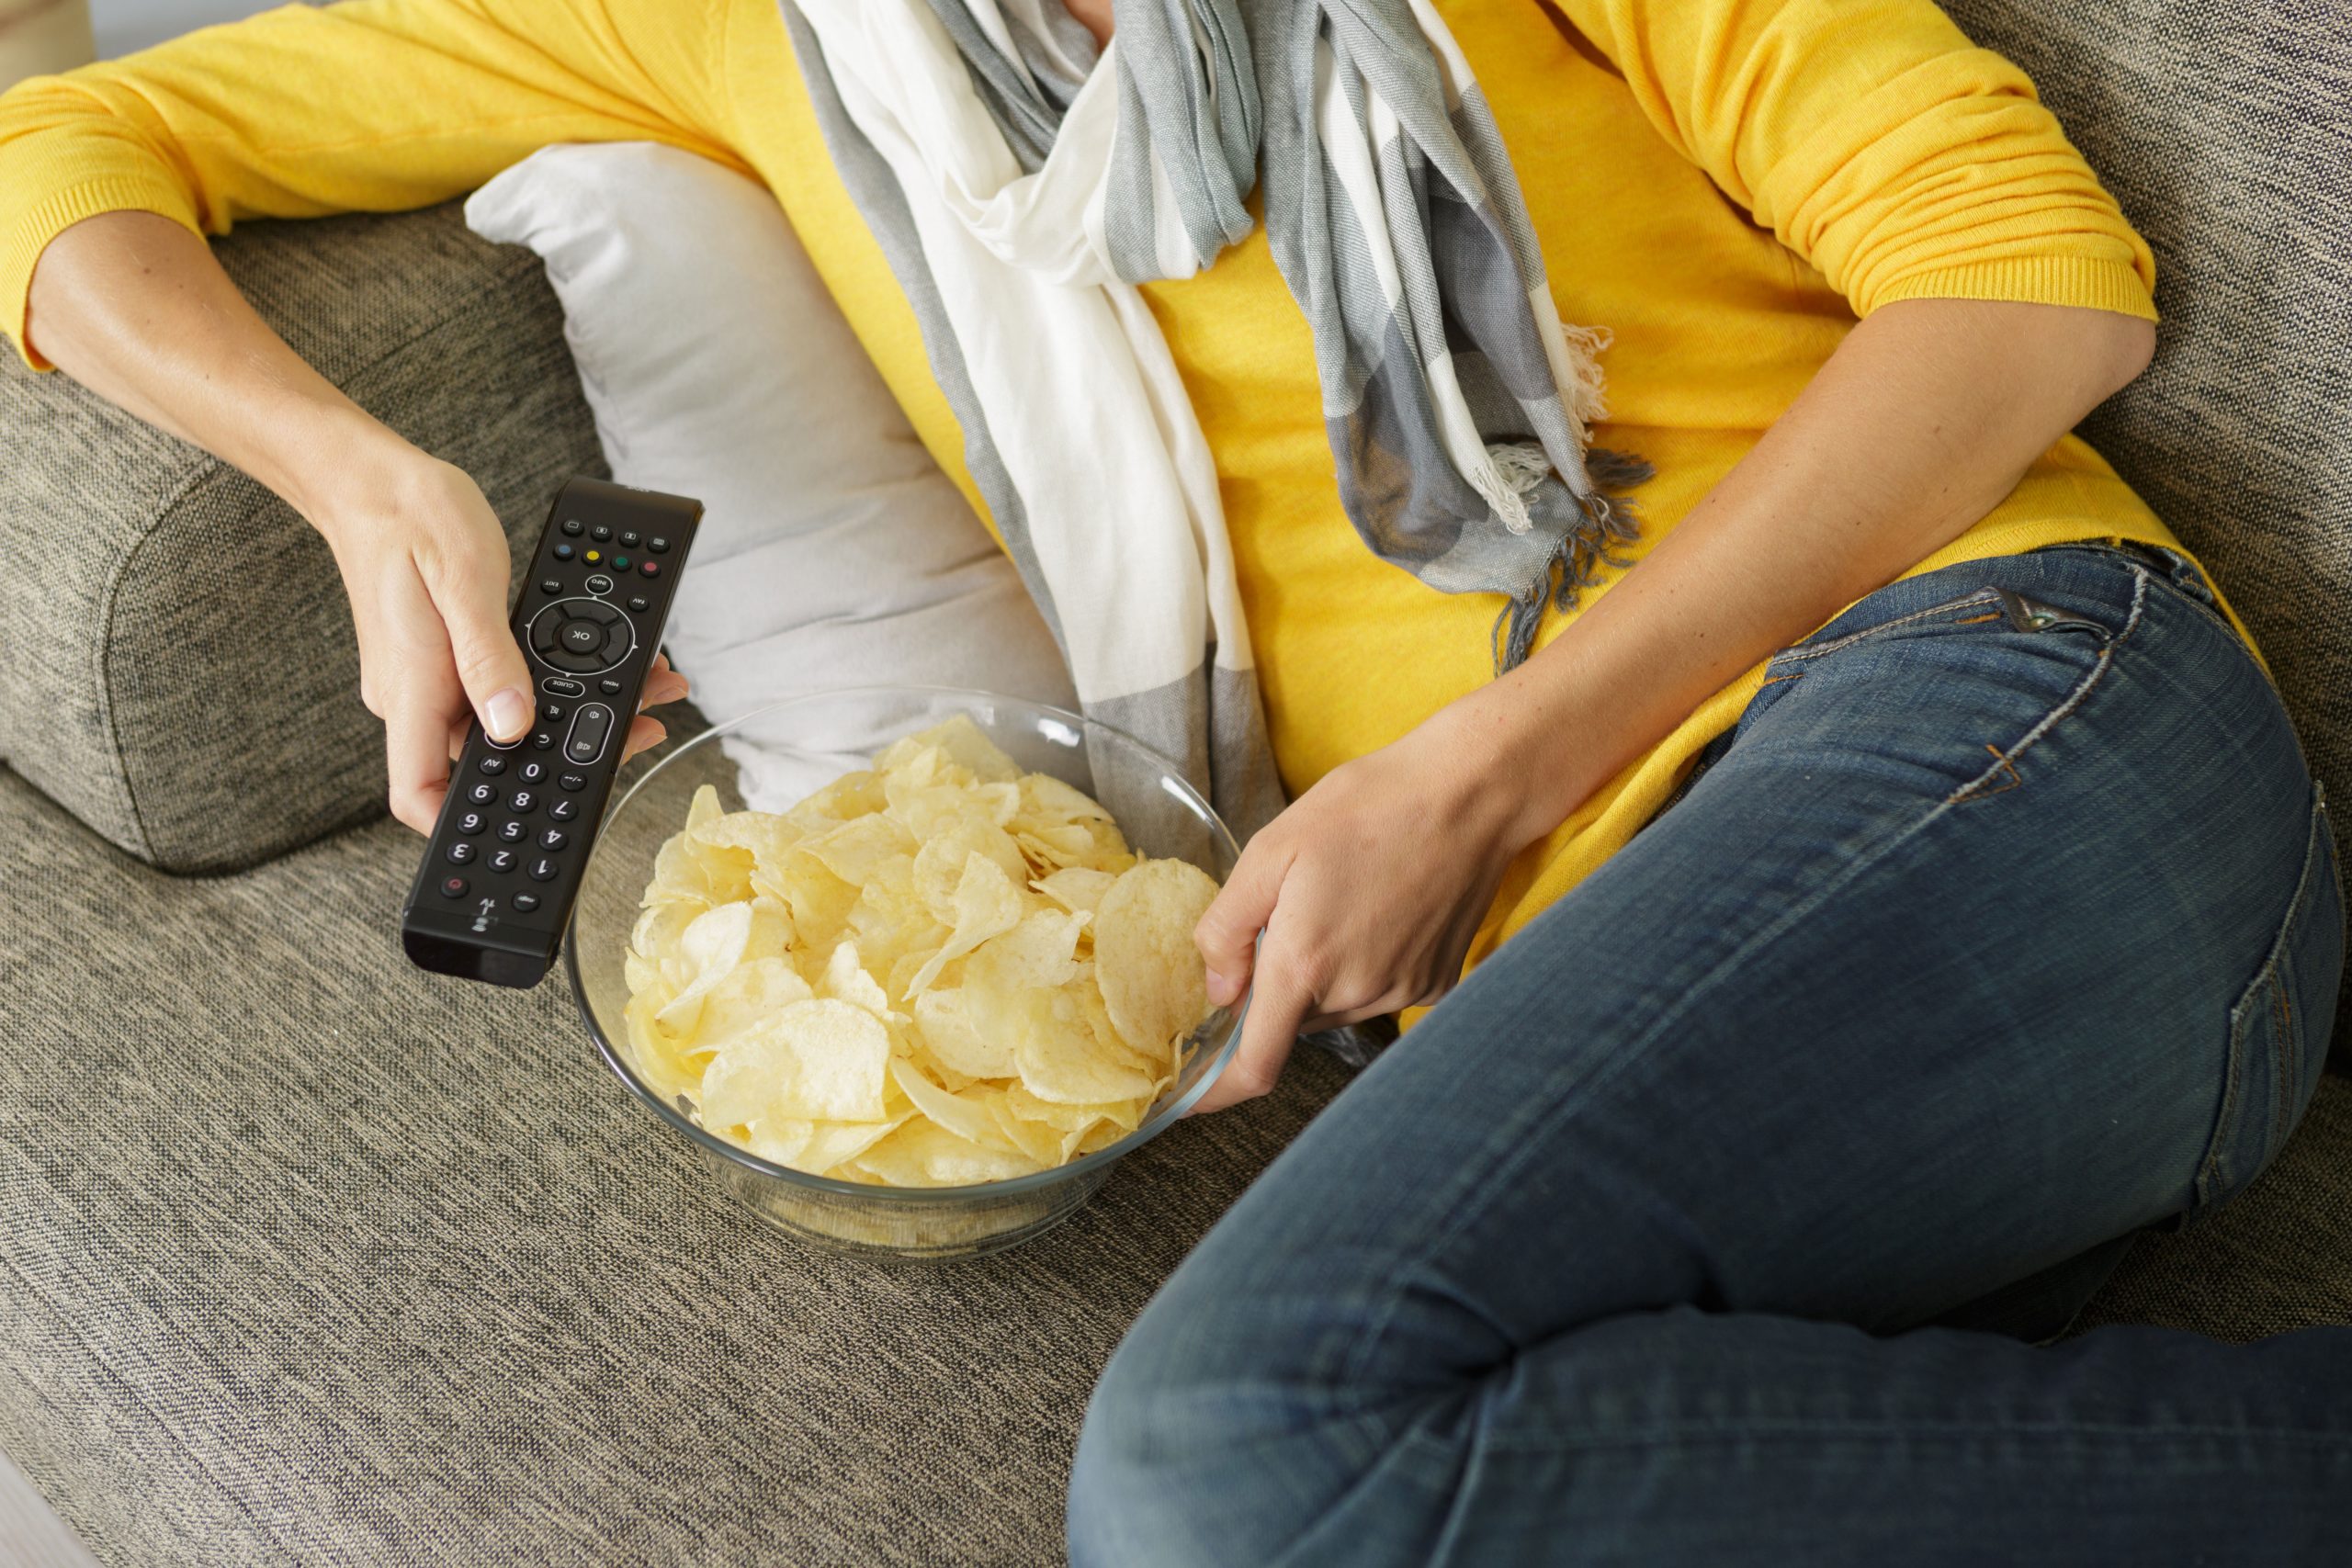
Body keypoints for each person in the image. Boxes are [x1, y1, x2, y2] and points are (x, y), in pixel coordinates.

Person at [4, 1, 2346, 1562]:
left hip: (2007, 712)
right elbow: (71, 136)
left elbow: (2025, 282)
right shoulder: (729, 20)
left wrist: (1481, 766)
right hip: (1643, 986)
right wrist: (355, 474)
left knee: (1230, 1458)